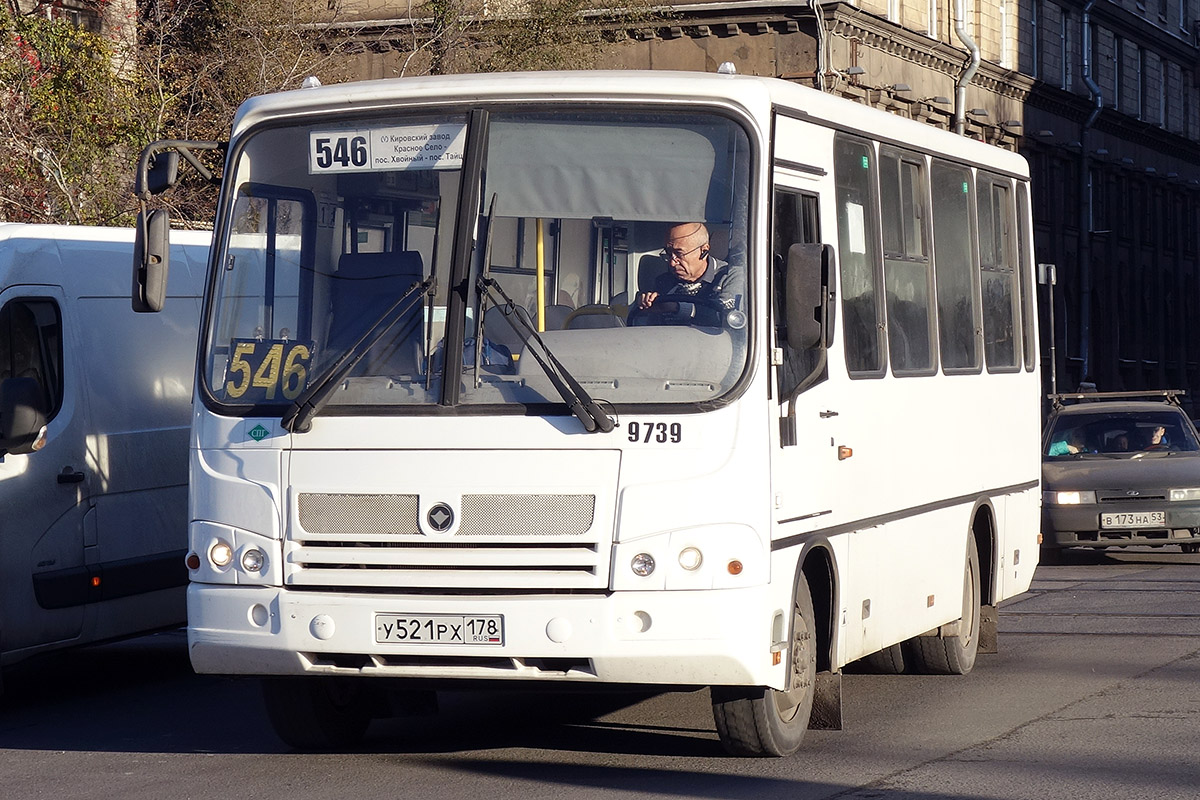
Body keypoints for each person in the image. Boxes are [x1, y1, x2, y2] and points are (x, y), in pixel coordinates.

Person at [632, 222, 745, 326]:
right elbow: (651, 330)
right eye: (669, 253)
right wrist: (645, 305)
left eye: (679, 253)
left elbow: (728, 318)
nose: (672, 262)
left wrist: (677, 308)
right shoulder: (664, 282)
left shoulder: (730, 276)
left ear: (704, 250)